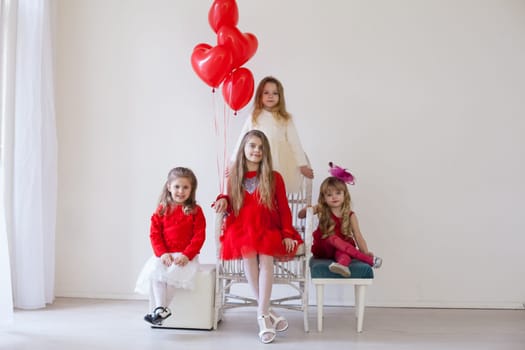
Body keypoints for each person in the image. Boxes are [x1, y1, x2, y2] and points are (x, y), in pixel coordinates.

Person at [214, 130, 303, 344]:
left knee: (266, 257)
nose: (257, 150)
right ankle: (266, 314)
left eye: (261, 147)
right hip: (241, 228)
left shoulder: (274, 178)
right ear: (243, 148)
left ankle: (262, 314)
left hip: (267, 228)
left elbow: (283, 209)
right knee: (248, 251)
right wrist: (223, 199)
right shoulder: (235, 176)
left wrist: (288, 232)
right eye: (252, 146)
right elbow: (229, 198)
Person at [135, 167, 206, 326]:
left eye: (185, 187)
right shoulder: (162, 209)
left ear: (192, 189)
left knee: (174, 273)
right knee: (156, 271)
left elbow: (199, 236)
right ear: (169, 187)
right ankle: (160, 309)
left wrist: (187, 255)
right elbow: (155, 235)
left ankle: (160, 311)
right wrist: (162, 254)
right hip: (165, 254)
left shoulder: (195, 211)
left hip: (185, 257)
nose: (181, 191)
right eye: (177, 187)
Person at [229, 76, 313, 193]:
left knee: (275, 187)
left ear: (280, 97)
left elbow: (295, 142)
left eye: (275, 93)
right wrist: (233, 162)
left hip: (277, 160)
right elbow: (242, 139)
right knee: (257, 189)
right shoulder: (254, 116)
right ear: (260, 96)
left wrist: (302, 164)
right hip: (257, 159)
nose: (270, 96)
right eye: (266, 93)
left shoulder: (285, 119)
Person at [299, 164, 382, 277]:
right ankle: (368, 260)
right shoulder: (321, 208)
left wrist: (366, 251)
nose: (334, 197)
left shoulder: (350, 215)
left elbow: (358, 236)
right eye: (329, 195)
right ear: (324, 198)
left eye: (338, 193)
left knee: (344, 253)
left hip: (342, 248)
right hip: (325, 247)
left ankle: (342, 265)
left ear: (344, 195)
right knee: (333, 238)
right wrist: (307, 210)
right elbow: (300, 215)